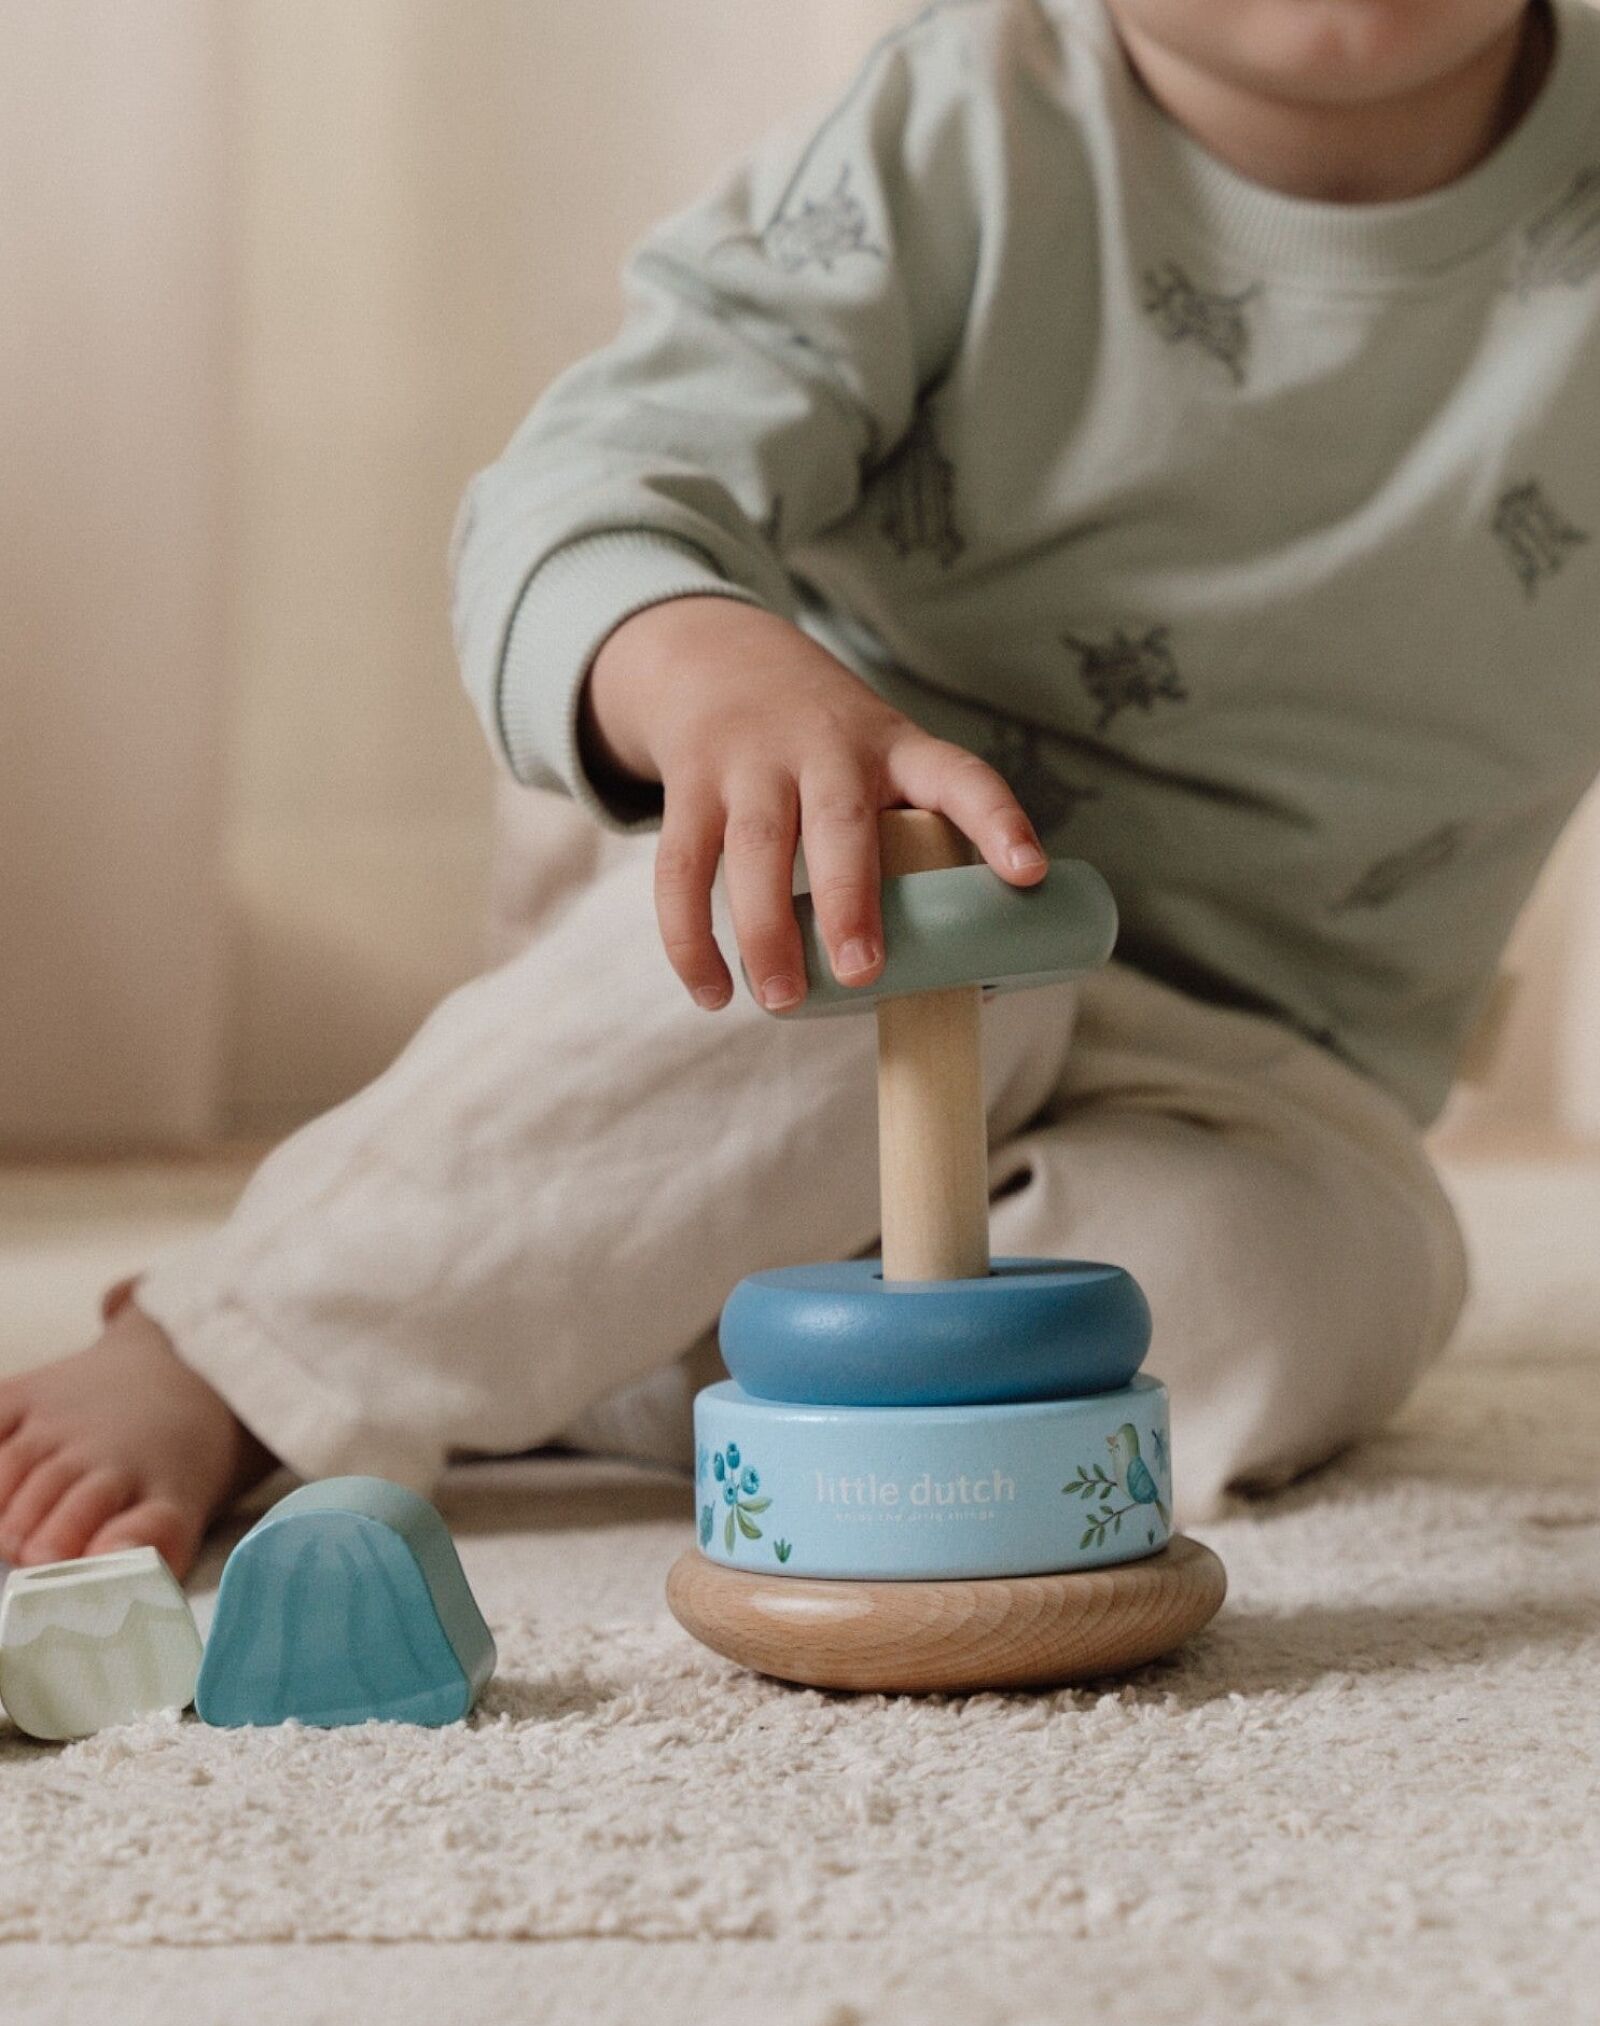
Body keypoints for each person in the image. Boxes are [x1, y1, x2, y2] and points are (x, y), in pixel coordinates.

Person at [3, 0, 1592, 1579]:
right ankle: (244, 1343)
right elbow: (592, 483)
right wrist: (711, 672)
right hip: (822, 910)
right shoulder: (961, 125)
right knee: (845, 984)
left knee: (1290, 1285)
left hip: (1256, 1068)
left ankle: (608, 1328)